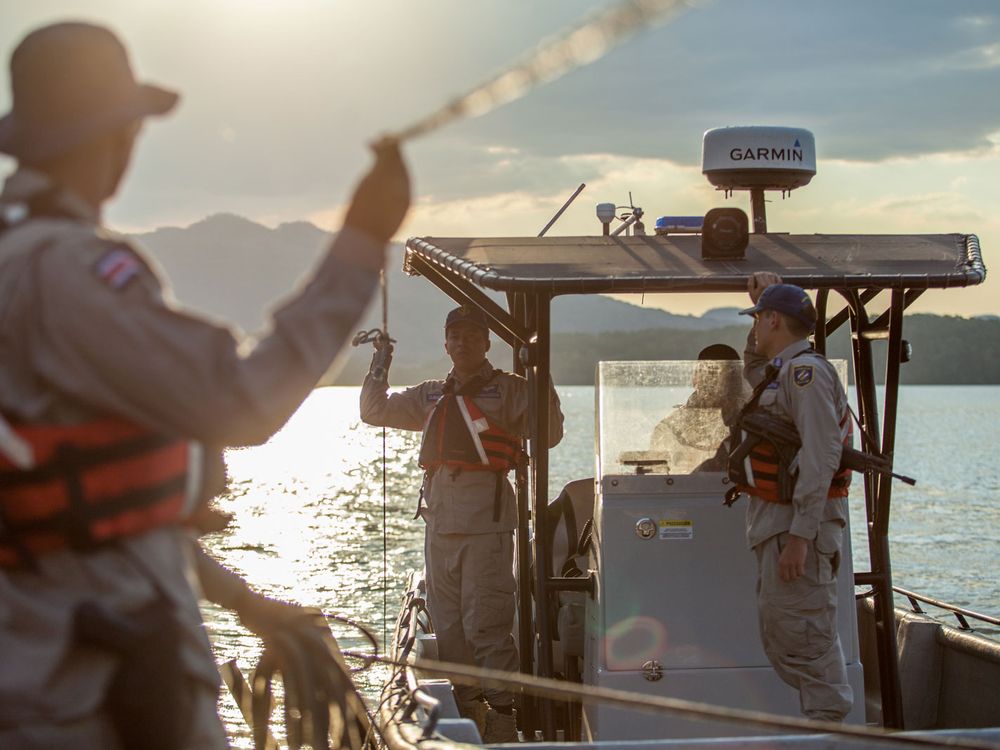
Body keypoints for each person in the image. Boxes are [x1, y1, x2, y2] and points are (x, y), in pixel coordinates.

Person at [0, 21, 409, 749]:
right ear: (115, 138)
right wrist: (361, 242)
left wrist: (245, 602)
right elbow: (243, 401)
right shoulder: (68, 273)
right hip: (93, 696)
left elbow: (75, 505)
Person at [360, 305, 564, 743]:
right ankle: (469, 721)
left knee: (487, 627)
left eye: (472, 335)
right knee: (450, 631)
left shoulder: (510, 391)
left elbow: (549, 434)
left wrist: (539, 371)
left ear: (487, 342)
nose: (462, 342)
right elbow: (374, 411)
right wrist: (380, 363)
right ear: (445, 342)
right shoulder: (430, 394)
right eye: (455, 335)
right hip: (440, 525)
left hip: (486, 527)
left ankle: (505, 722)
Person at [730, 272, 853, 722]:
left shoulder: (806, 375)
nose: (756, 327)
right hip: (779, 526)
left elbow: (821, 457)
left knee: (807, 641)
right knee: (788, 635)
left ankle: (829, 733)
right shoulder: (783, 372)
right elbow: (753, 367)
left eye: (759, 319)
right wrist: (761, 299)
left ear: (774, 321)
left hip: (798, 530)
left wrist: (801, 536)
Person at [648, 343, 747, 473]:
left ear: (736, 383)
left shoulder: (749, 426)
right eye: (707, 373)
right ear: (694, 378)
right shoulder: (669, 429)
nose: (711, 383)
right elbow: (656, 479)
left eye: (727, 377)